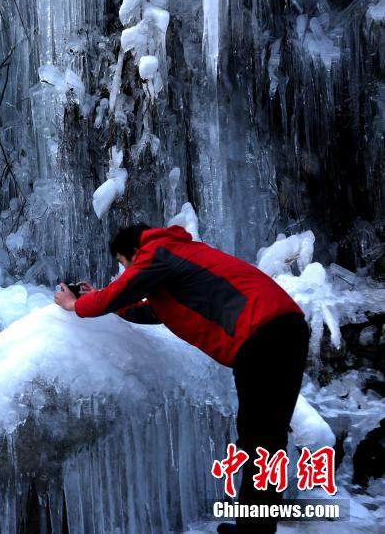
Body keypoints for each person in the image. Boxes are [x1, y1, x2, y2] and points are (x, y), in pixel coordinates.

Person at [54, 223, 310, 534]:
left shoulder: (158, 251)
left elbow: (122, 292)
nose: (124, 272)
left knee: (259, 440)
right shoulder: (177, 263)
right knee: (266, 440)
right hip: (285, 330)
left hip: (263, 335)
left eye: (123, 264)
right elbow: (149, 310)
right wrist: (100, 301)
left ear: (135, 252)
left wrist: (75, 304)